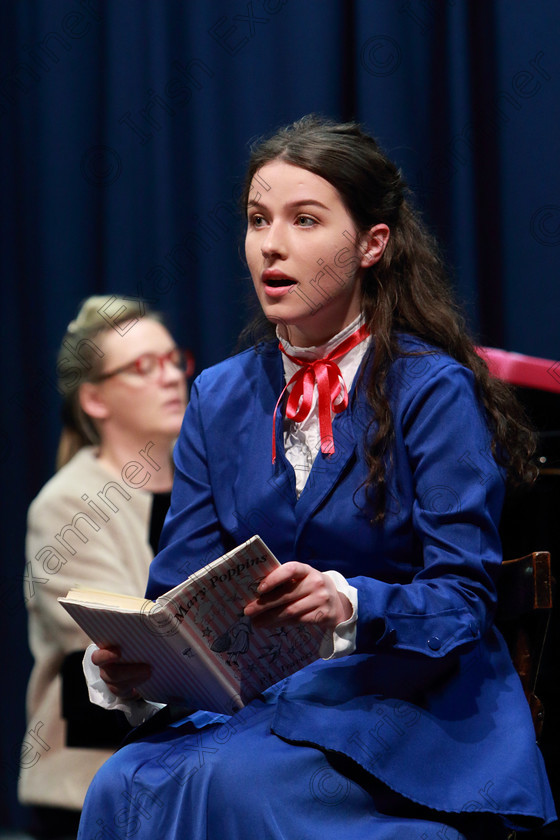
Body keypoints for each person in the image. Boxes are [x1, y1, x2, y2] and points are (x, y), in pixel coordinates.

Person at [78, 118, 555, 839]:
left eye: (305, 221)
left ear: (372, 244)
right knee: (117, 784)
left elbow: (461, 602)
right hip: (260, 709)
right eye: (257, 220)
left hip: (403, 709)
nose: (272, 244)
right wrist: (135, 666)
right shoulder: (220, 395)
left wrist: (346, 603)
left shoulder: (432, 390)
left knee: (234, 785)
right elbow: (176, 593)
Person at [19, 296, 189, 839]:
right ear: (94, 398)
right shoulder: (66, 505)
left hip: (192, 772)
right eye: (143, 367)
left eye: (172, 360)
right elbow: (139, 641)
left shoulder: (208, 482)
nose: (169, 378)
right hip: (96, 787)